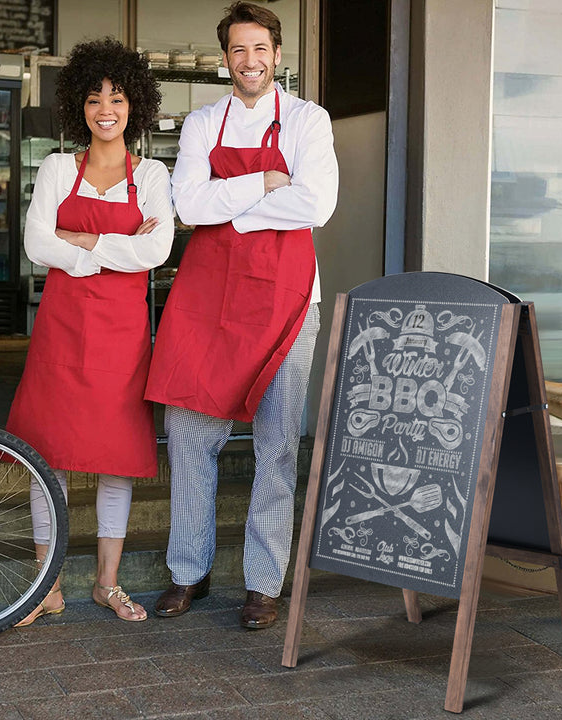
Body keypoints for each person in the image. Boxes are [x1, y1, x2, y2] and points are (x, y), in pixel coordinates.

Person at [145, 2, 338, 629]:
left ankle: (263, 582)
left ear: (277, 55)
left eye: (260, 49)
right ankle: (188, 573)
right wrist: (264, 185)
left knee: (277, 449)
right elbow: (190, 206)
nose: (249, 61)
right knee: (190, 437)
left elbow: (319, 204)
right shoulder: (204, 122)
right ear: (225, 58)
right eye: (237, 50)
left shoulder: (309, 120)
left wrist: (233, 207)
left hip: (286, 302)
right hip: (209, 301)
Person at [7, 37, 173, 625]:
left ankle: (107, 583)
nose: (107, 107)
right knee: (46, 453)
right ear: (79, 103)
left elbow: (157, 248)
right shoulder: (57, 167)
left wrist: (83, 243)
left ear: (136, 106)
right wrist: (113, 249)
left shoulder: (151, 174)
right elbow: (35, 244)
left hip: (122, 335)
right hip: (61, 329)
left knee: (116, 457)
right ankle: (45, 587)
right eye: (97, 96)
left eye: (119, 96)